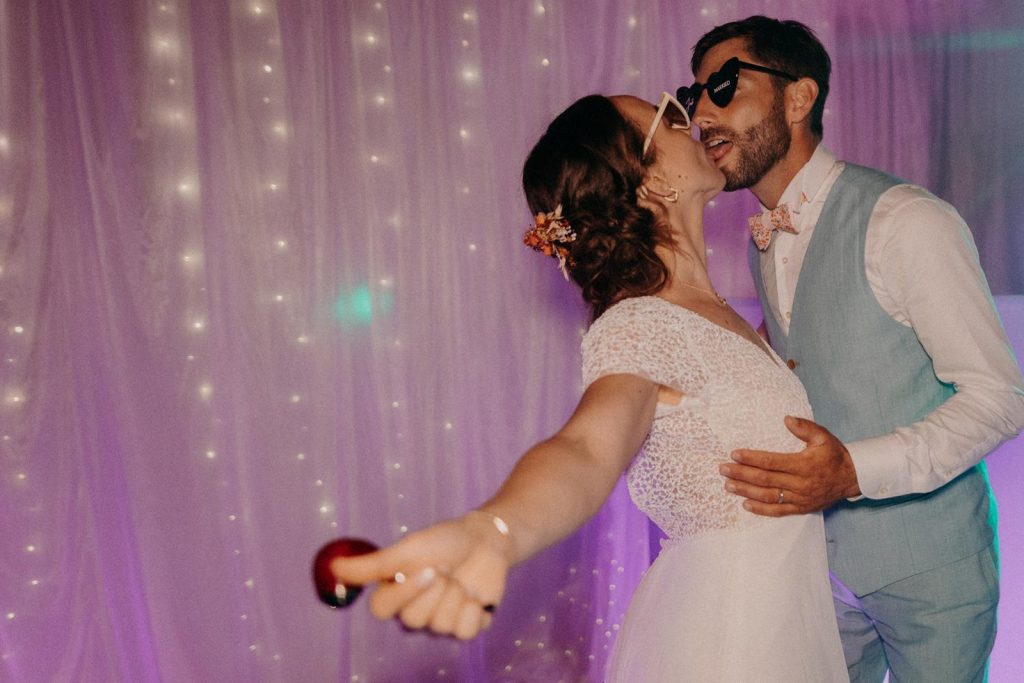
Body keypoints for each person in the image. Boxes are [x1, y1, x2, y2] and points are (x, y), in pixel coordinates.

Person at [328, 93, 848, 680]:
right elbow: (587, 448)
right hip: (731, 638)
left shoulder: (719, 313)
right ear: (650, 183)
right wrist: (495, 530)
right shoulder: (641, 324)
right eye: (671, 116)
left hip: (781, 621)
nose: (693, 120)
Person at [683, 15, 1024, 682]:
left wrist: (853, 471)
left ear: (799, 97)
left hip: (934, 574)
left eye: (724, 87)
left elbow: (1000, 398)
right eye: (695, 96)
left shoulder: (906, 220)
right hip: (818, 569)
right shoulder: (763, 236)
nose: (704, 114)